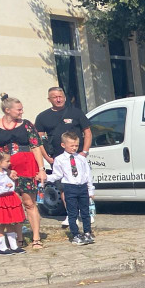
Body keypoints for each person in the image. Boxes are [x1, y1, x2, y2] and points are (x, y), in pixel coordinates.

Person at [0, 96, 49, 249]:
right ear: (7, 110)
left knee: (29, 203)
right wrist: (5, 169)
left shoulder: (26, 125)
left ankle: (36, 237)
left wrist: (41, 169)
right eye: (19, 109)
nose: (22, 111)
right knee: (13, 204)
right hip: (4, 170)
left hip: (26, 167)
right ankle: (18, 238)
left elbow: (36, 146)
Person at [35, 86, 93, 229]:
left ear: (65, 97)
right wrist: (47, 158)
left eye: (60, 96)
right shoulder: (42, 117)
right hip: (58, 158)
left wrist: (84, 152)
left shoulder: (76, 112)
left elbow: (88, 132)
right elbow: (38, 140)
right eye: (55, 97)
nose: (58, 99)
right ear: (49, 99)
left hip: (77, 157)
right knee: (64, 188)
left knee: (82, 185)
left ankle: (87, 213)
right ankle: (71, 214)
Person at [45, 130, 95, 245]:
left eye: (76, 145)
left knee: (85, 211)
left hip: (82, 187)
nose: (74, 148)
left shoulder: (81, 158)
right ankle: (76, 234)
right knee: (72, 212)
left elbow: (88, 175)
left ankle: (87, 232)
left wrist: (90, 189)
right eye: (71, 145)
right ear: (63, 145)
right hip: (69, 187)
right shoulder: (59, 159)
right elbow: (57, 175)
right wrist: (46, 178)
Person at [0, 151, 26, 255]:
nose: (9, 163)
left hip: (10, 198)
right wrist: (5, 188)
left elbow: (11, 185)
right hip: (0, 200)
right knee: (2, 224)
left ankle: (13, 245)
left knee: (11, 222)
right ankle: (2, 247)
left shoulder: (6, 172)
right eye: (7, 161)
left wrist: (12, 182)